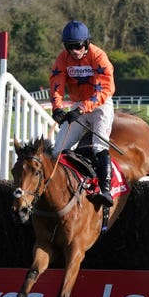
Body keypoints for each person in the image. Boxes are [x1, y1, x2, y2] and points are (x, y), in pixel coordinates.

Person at [49, 20, 116, 207]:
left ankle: (105, 190)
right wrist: (57, 108)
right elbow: (57, 82)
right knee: (57, 149)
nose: (73, 51)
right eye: (69, 47)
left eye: (77, 46)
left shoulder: (99, 57)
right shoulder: (62, 58)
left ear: (86, 44)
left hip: (100, 104)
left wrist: (81, 109)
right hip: (79, 106)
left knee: (99, 145)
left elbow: (106, 89)